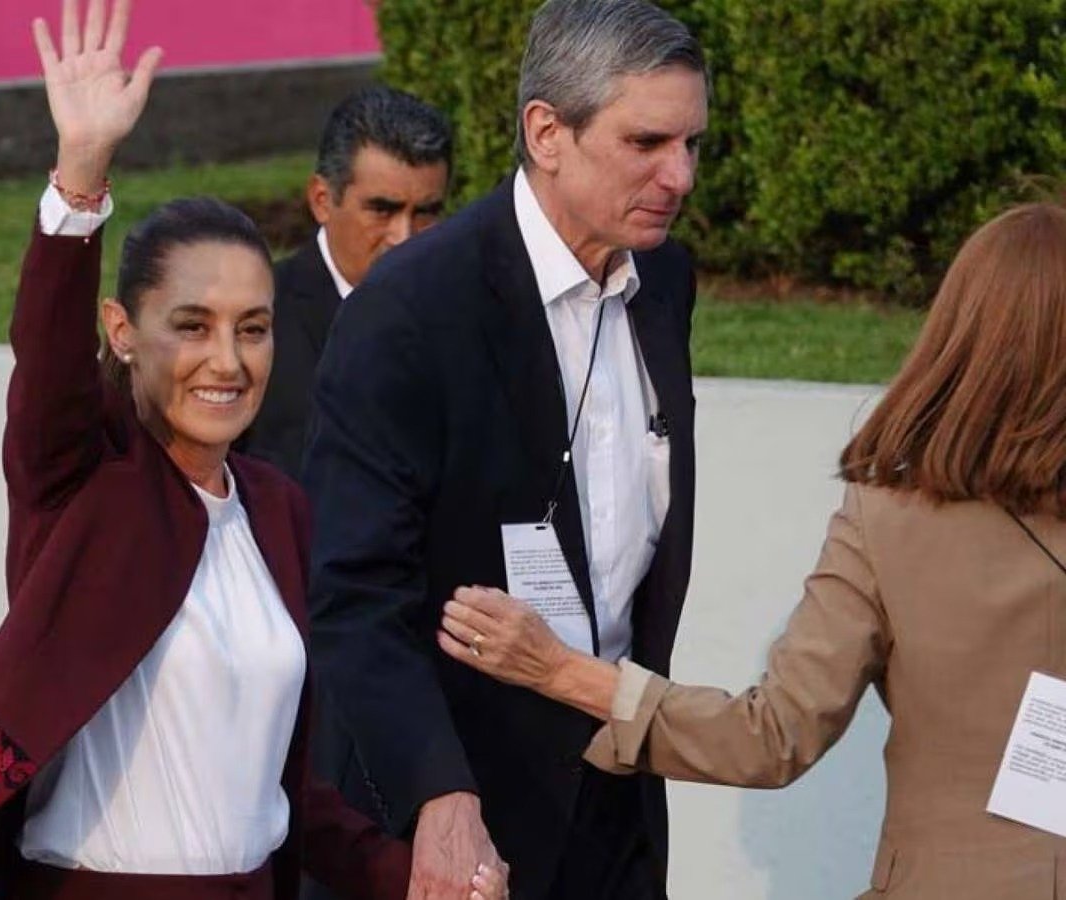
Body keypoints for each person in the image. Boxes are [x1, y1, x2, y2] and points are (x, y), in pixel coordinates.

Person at [0, 3, 506, 899]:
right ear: (122, 332)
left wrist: (414, 878)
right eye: (193, 326)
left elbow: (285, 793)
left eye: (253, 328)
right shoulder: (85, 482)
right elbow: (47, 362)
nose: (228, 361)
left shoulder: (277, 509)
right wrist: (80, 177)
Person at [442, 201, 1066, 900]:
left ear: (962, 332)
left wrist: (561, 672)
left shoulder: (891, 519)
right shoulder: (889, 516)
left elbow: (772, 734)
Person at [301, 0, 707, 896]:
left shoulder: (664, 278)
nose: (678, 175)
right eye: (646, 142)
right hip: (457, 815)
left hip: (616, 800)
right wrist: (438, 794)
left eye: (692, 145)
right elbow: (354, 590)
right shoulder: (412, 307)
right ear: (546, 132)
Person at [238, 85, 451, 481]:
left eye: (426, 212)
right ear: (322, 199)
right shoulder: (253, 319)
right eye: (382, 210)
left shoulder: (470, 316)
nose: (404, 237)